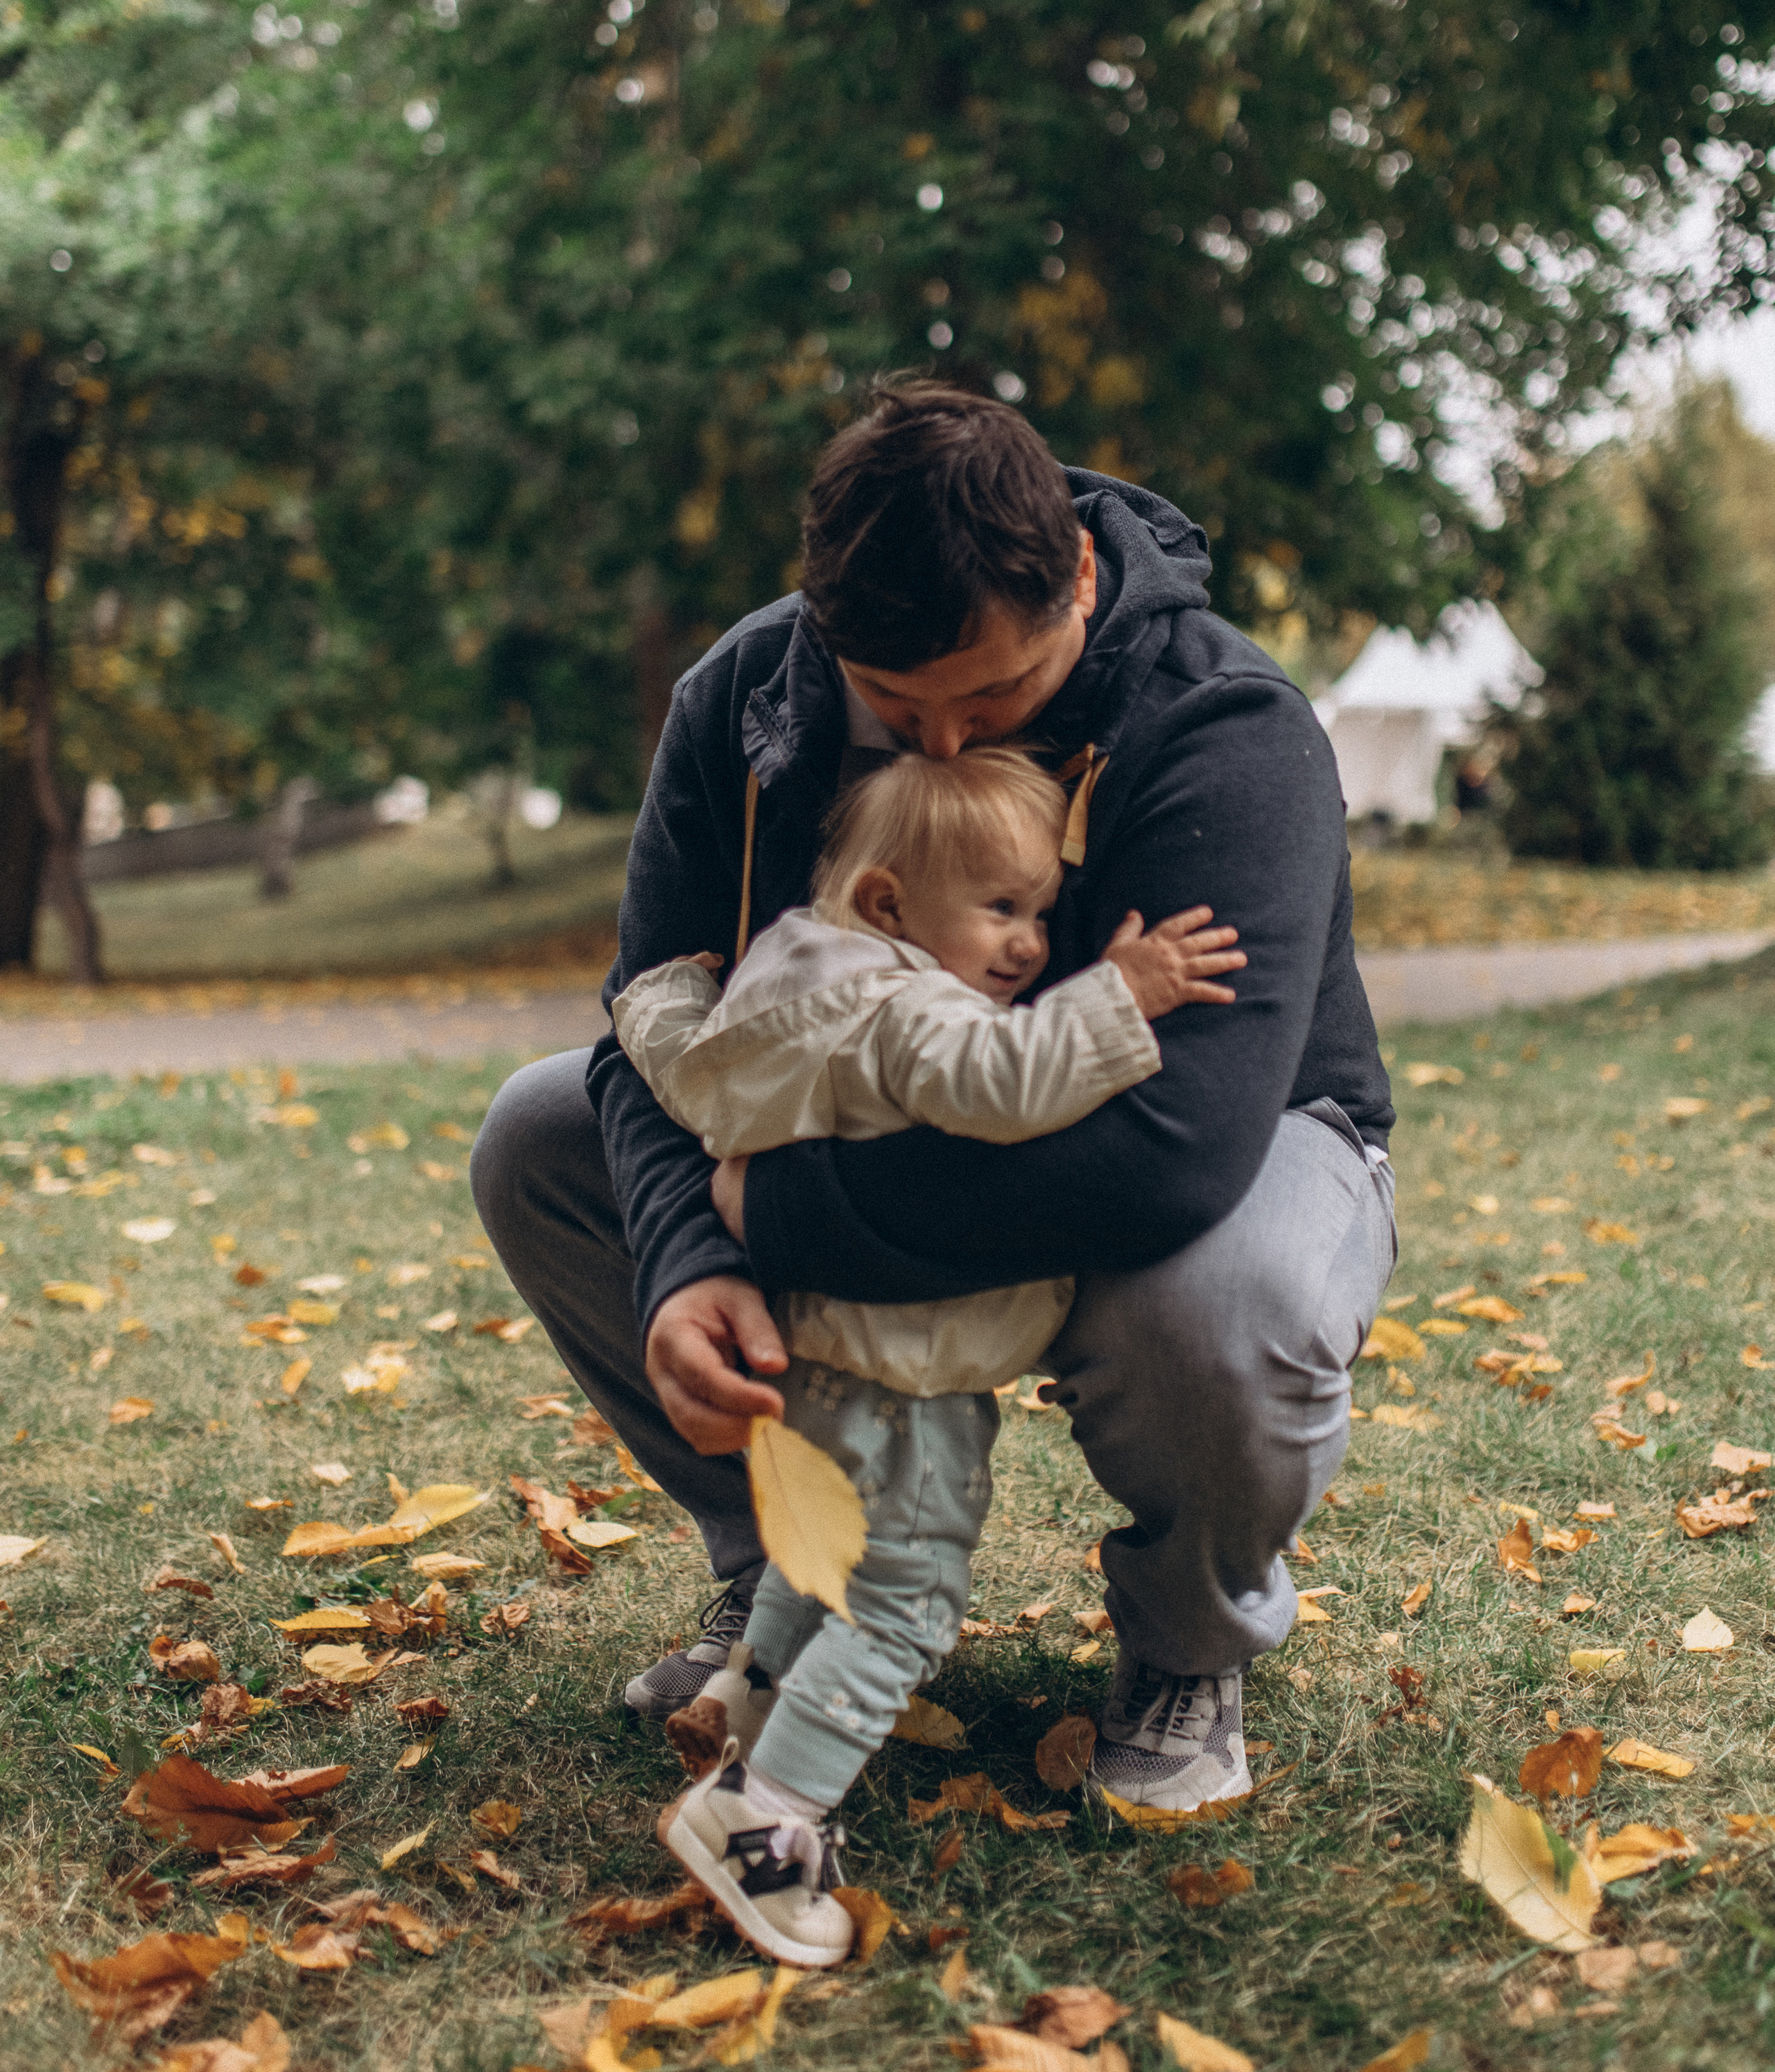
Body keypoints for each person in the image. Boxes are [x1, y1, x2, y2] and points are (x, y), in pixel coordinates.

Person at [471, 380, 1396, 1832]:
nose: (946, 747)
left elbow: (1173, 1158)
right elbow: (655, 1009)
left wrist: (776, 1218)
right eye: (896, 708)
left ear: (1077, 581)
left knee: (1229, 1295)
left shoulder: (1222, 725)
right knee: (539, 1137)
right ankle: (786, 1562)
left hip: (1216, 1147)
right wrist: (691, 1263)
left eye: (995, 698)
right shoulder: (744, 697)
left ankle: (1181, 1650)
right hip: (860, 1112)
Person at [608, 747, 1244, 1965]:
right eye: (1001, 910)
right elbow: (1003, 1082)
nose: (1025, 946)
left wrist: (658, 999)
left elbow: (686, 1070)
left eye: (1041, 917)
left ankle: (746, 1695)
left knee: (827, 1553)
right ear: (892, 904)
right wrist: (1119, 991)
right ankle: (766, 1817)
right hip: (907, 1377)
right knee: (902, 1605)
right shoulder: (908, 1008)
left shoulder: (790, 976)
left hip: (821, 1361)